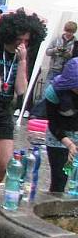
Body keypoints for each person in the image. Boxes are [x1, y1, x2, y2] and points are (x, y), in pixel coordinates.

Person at [0, 10, 44, 202]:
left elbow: (21, 91)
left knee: (4, 165)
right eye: (19, 39)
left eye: (27, 41)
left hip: (3, 112)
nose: (22, 44)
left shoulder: (21, 56)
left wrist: (23, 62)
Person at [30, 20, 77, 118]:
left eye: (71, 32)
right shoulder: (57, 39)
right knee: (46, 92)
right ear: (65, 30)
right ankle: (37, 113)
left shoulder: (75, 43)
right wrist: (56, 50)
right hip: (54, 68)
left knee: (60, 95)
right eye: (68, 31)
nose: (69, 34)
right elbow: (47, 51)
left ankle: (46, 114)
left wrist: (68, 54)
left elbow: (74, 57)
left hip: (66, 72)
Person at [44, 58, 78, 192]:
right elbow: (53, 123)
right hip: (58, 136)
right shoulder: (54, 92)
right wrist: (69, 144)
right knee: (59, 179)